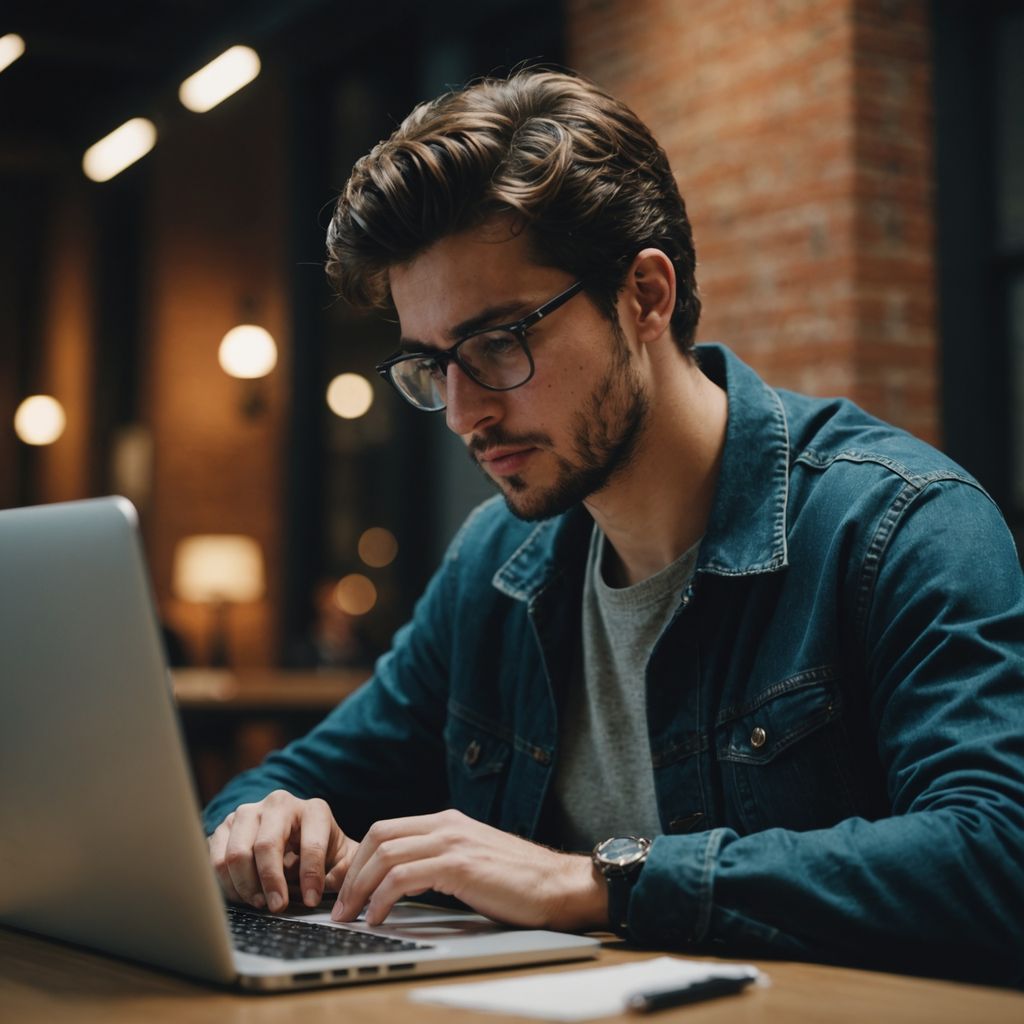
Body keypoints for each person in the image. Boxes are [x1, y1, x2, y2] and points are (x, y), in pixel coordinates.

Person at [204, 69, 1024, 986]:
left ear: (643, 296)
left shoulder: (899, 524)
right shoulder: (495, 563)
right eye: (434, 365)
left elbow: (997, 859)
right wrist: (262, 826)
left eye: (499, 344)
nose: (463, 412)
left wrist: (596, 882)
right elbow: (276, 786)